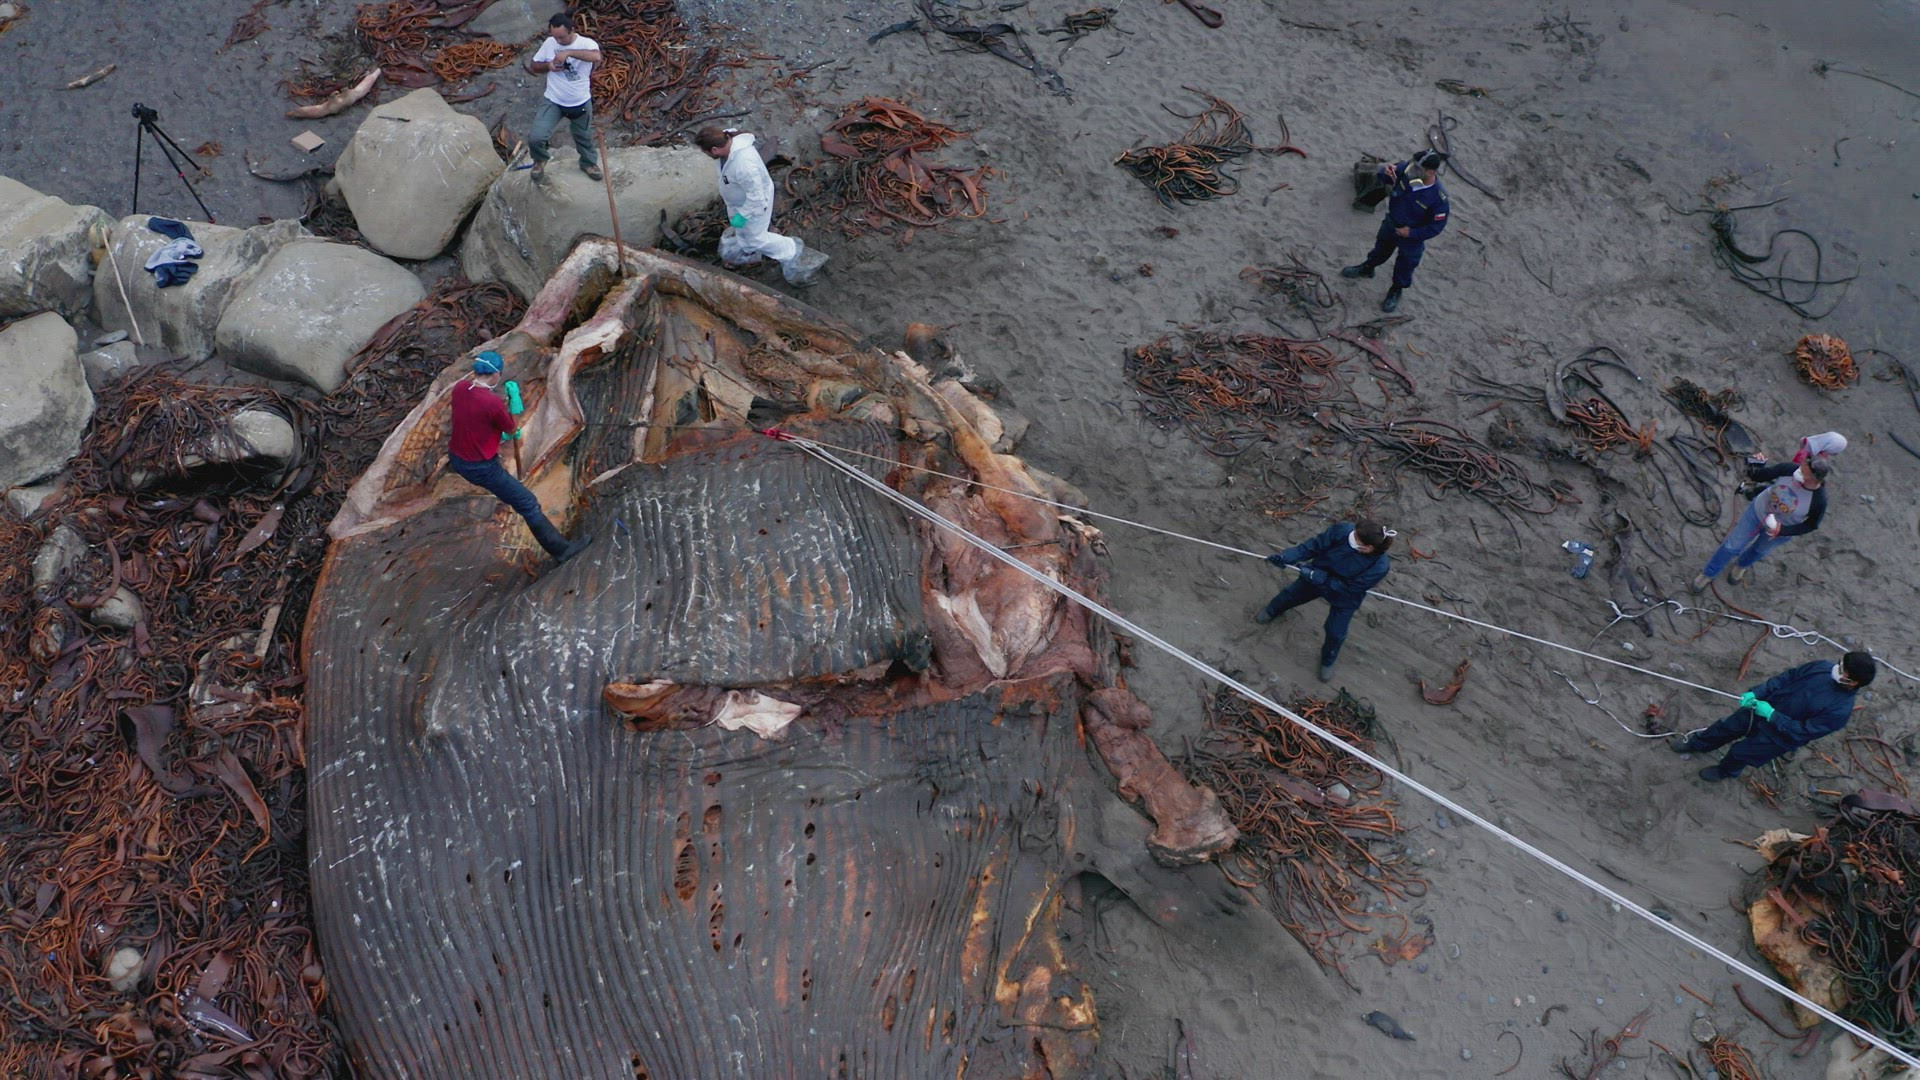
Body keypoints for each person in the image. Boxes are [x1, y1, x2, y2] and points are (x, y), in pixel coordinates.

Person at [447, 351, 590, 564]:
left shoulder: (460, 389)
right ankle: (561, 551)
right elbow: (513, 429)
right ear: (496, 374)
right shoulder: (491, 403)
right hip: (480, 467)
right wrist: (515, 404)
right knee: (528, 503)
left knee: (513, 490)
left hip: (457, 457)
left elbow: (473, 414)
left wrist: (496, 433)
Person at [1671, 653, 1876, 781]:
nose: (1836, 668)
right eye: (1840, 663)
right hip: (1760, 707)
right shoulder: (1821, 667)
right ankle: (1698, 744)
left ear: (1853, 683)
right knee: (1726, 727)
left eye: (1843, 670)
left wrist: (1772, 716)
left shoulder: (1839, 710)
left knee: (1742, 753)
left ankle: (1726, 771)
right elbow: (1786, 678)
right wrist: (1758, 692)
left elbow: (1803, 732)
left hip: (1777, 737)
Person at [1254, 519, 1395, 682]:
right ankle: (1272, 611)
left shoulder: (1380, 566)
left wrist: (1321, 578)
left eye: (1356, 538)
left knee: (1335, 632)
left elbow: (1350, 588)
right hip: (1316, 577)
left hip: (1344, 595)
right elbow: (1312, 546)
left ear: (1369, 548)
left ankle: (1328, 659)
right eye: (1354, 533)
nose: (1351, 536)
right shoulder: (1343, 531)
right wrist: (1286, 557)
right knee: (1290, 595)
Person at [695, 126, 829, 287]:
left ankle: (792, 251)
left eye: (706, 152)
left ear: (715, 150)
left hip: (755, 205)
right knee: (746, 233)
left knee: (755, 239)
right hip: (739, 202)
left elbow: (757, 198)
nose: (707, 155)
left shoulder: (744, 165)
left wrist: (743, 215)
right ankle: (748, 248)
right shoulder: (727, 138)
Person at [1691, 457, 1828, 591]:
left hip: (1778, 531)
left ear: (1814, 478)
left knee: (1759, 551)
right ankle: (1708, 573)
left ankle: (1741, 566)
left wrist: (1783, 531)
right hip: (1756, 512)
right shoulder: (1789, 469)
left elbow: (1811, 525)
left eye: (1804, 471)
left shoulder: (1818, 500)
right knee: (1731, 546)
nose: (1798, 471)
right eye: (1801, 467)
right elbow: (1763, 475)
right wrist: (1755, 467)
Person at [1341, 149, 1450, 313]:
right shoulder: (1406, 170)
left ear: (1431, 172)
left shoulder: (1438, 198)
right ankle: (1367, 268)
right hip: (1391, 224)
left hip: (1411, 237)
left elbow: (1435, 227)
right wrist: (1385, 172)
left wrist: (1411, 234)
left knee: (1405, 265)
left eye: (1418, 168)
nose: (1411, 169)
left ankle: (1396, 290)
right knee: (1379, 250)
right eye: (1412, 164)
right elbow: (1385, 177)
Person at [525, 12, 603, 182]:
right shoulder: (549, 43)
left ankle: (589, 163)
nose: (558, 41)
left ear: (572, 30)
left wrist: (569, 52)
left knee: (584, 137)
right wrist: (549, 65)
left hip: (579, 101)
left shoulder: (585, 43)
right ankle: (539, 160)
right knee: (537, 136)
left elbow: (596, 56)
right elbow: (534, 66)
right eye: (555, 37)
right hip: (554, 100)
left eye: (562, 37)